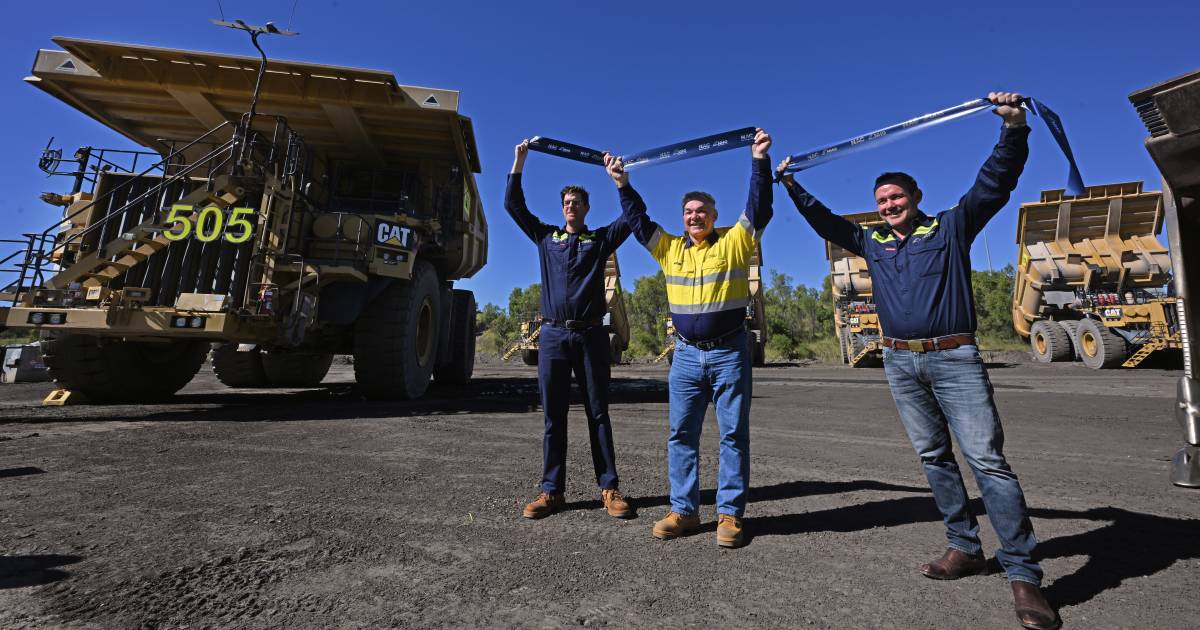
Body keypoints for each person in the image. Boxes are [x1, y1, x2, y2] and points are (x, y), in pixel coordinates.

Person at [777, 92, 1059, 630]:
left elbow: (995, 182)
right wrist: (791, 185)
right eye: (881, 200)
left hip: (955, 359)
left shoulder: (950, 228)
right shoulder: (872, 242)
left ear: (915, 197)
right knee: (934, 458)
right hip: (900, 363)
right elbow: (827, 224)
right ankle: (964, 546)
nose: (888, 205)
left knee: (988, 462)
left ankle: (1023, 575)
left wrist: (1014, 127)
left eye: (895, 197)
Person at [604, 128, 773, 548]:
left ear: (715, 217)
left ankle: (730, 516)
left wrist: (758, 161)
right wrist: (623, 184)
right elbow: (639, 222)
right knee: (681, 434)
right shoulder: (670, 249)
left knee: (733, 435)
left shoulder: (736, 242)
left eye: (701, 211)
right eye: (688, 212)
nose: (694, 216)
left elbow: (760, 206)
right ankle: (685, 510)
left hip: (729, 354)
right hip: (684, 357)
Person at [506, 140, 633, 521]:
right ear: (561, 208)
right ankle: (551, 491)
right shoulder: (547, 239)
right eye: (566, 203)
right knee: (553, 416)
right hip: (553, 336)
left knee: (598, 413)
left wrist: (621, 183)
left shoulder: (599, 241)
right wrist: (519, 161)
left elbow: (633, 217)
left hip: (592, 335)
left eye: (577, 202)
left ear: (586, 208)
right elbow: (514, 207)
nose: (571, 207)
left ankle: (608, 488)